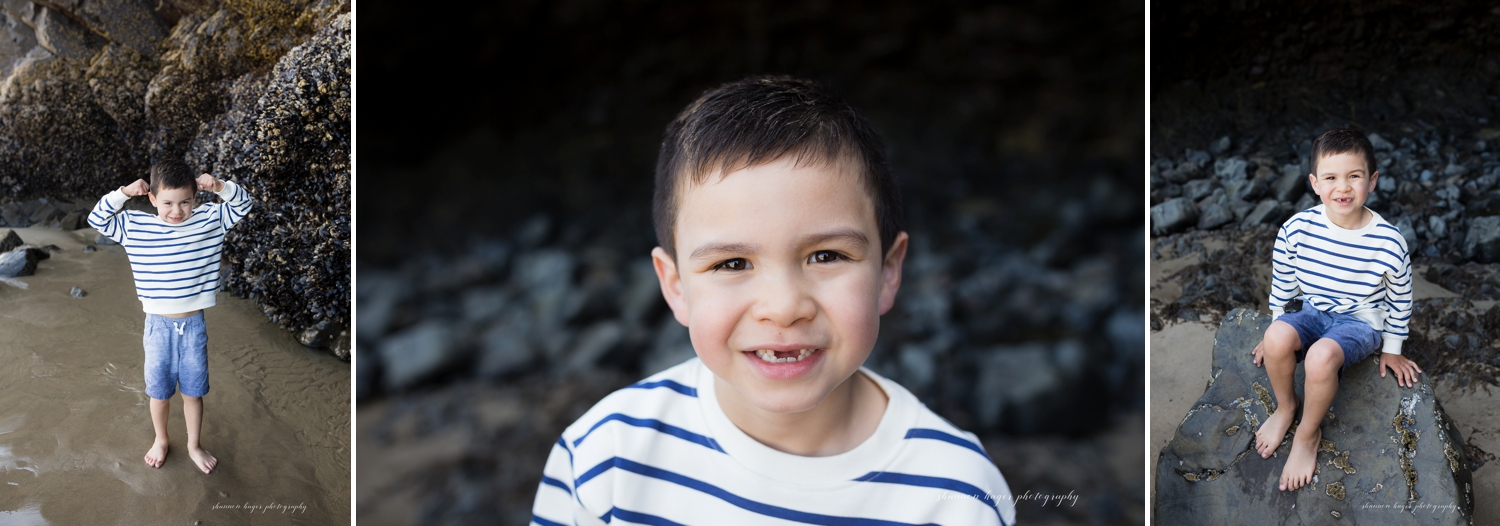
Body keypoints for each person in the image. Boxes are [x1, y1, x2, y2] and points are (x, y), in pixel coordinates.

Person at [530, 76, 1015, 525]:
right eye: (733, 264)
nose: (784, 307)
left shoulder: (957, 494)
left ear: (888, 272)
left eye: (826, 255)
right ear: (675, 286)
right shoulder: (606, 457)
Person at [1252, 128, 1421, 491]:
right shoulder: (1297, 229)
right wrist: (1276, 326)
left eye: (1354, 176)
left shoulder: (1389, 241)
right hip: (1313, 310)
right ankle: (1286, 407)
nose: (1342, 188)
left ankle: (1308, 433)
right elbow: (1283, 284)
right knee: (1277, 337)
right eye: (1331, 178)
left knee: (1319, 357)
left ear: (1372, 181)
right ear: (1314, 183)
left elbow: (1400, 298)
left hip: (1360, 321)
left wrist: (1392, 350)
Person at [87, 158, 254, 474]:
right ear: (152, 199)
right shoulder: (135, 225)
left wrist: (218, 186)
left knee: (193, 392)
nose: (176, 211)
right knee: (159, 392)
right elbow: (97, 218)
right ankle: (161, 439)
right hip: (158, 327)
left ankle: (194, 444)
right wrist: (123, 192)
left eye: (184, 202)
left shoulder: (209, 219)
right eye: (167, 203)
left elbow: (244, 204)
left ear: (195, 198)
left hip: (194, 326)